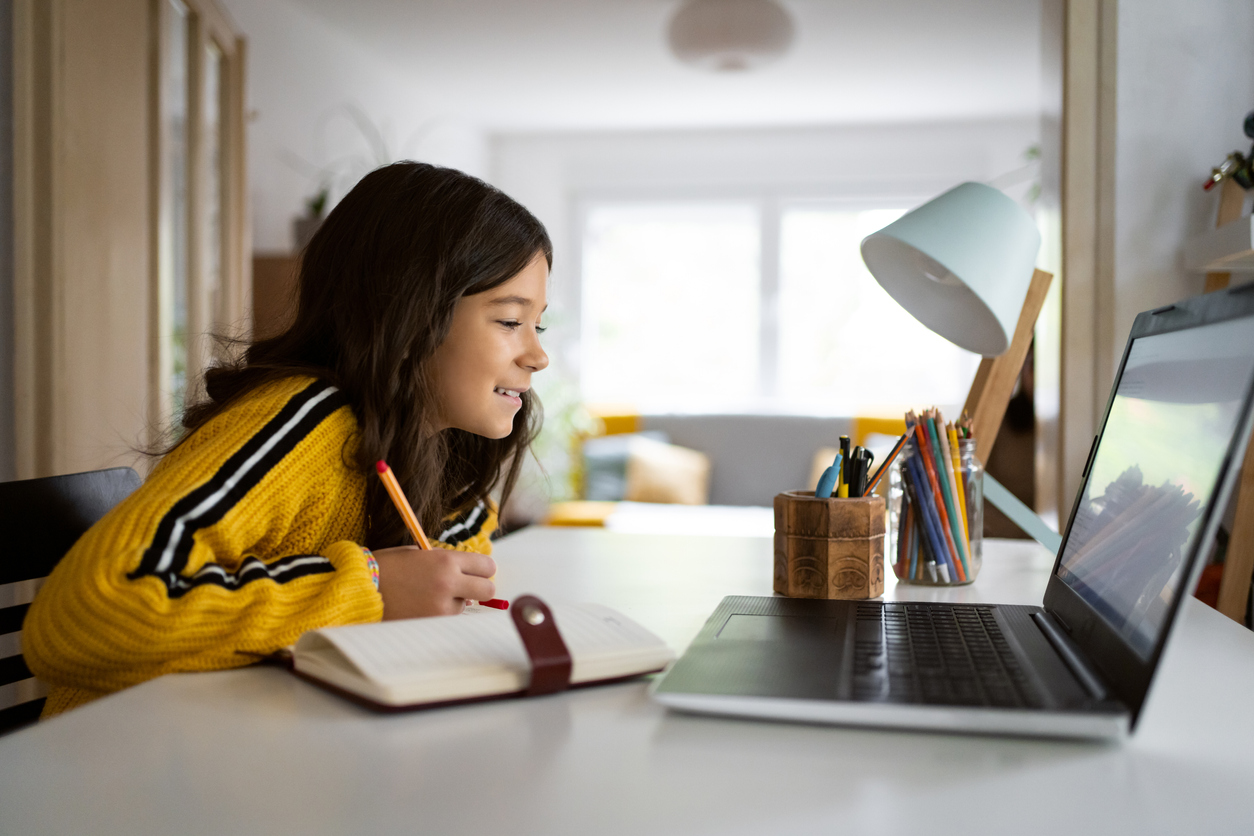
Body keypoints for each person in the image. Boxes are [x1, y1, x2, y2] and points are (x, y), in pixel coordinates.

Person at [23, 162, 551, 717]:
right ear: (410, 315)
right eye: (510, 322)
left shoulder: (448, 448)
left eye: (540, 325)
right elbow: (82, 617)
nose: (538, 355)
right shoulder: (301, 421)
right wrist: (368, 586)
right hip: (123, 767)